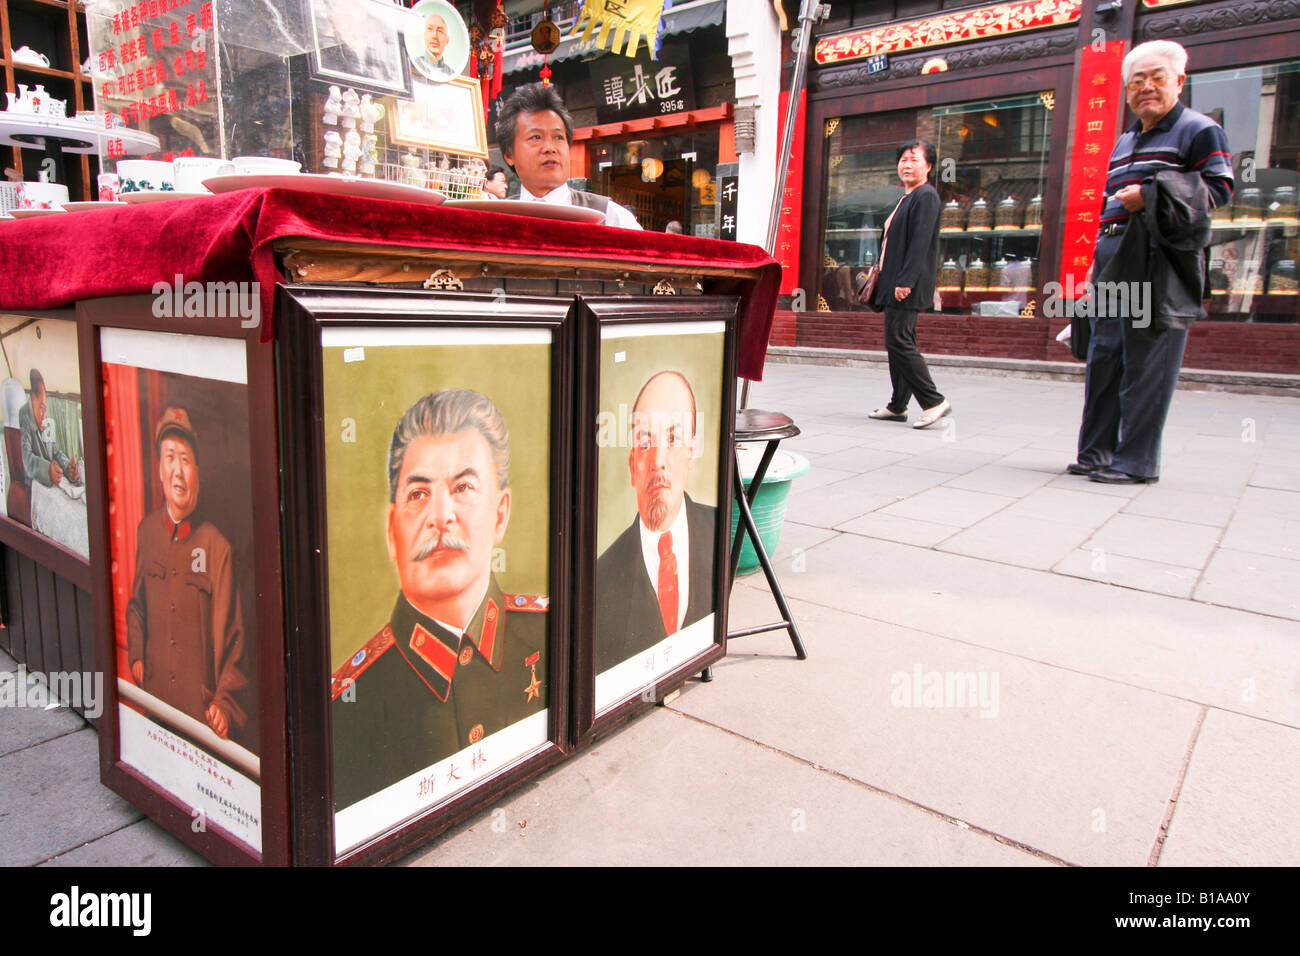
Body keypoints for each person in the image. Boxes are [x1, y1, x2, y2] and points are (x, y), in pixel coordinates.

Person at [330, 390, 547, 810]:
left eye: (463, 487)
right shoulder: (346, 712)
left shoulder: (551, 631)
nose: (440, 515)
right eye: (418, 494)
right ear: (392, 531)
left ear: (500, 513)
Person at [1070, 40, 1233, 484]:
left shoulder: (1200, 130)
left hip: (1155, 256)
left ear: (1180, 81)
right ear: (1125, 90)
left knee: (1146, 359)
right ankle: (1096, 452)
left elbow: (1218, 190)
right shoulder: (1125, 139)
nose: (1146, 87)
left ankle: (1136, 461)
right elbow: (1109, 205)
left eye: (1157, 77)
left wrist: (1150, 195)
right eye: (1136, 80)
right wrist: (1093, 263)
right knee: (1106, 354)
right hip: (1113, 251)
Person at [126, 408, 250, 743]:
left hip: (199, 726)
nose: (178, 471)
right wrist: (136, 653)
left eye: (185, 459)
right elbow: (136, 606)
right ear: (159, 471)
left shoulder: (218, 548)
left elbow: (235, 643)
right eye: (170, 458)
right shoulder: (147, 532)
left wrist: (224, 705)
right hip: (154, 708)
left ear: (198, 472)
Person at [595, 371, 715, 671]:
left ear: (692, 450)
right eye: (645, 443)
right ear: (632, 465)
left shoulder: (720, 531)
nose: (658, 459)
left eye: (673, 438)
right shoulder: (601, 578)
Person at [866, 140, 950, 429]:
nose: (907, 165)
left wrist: (906, 281)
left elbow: (920, 243)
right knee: (899, 343)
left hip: (906, 284)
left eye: (914, 160)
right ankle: (898, 405)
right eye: (903, 159)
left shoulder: (926, 196)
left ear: (928, 166)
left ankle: (933, 401)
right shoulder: (907, 197)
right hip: (895, 282)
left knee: (899, 342)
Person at [496, 82, 642, 229]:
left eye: (558, 137)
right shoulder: (495, 217)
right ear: (509, 154)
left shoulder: (610, 217)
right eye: (536, 137)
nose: (550, 148)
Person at [20, 369, 81, 489]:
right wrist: (48, 470)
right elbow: (26, 459)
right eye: (41, 408)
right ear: (33, 398)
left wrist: (68, 468)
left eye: (45, 408)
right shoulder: (24, 415)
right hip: (36, 485)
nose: (44, 415)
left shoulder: (46, 421)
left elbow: (55, 451)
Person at [411, 11, 456, 81]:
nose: (434, 36)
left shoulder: (452, 74)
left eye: (440, 31)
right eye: (430, 29)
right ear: (424, 35)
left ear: (447, 39)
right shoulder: (413, 65)